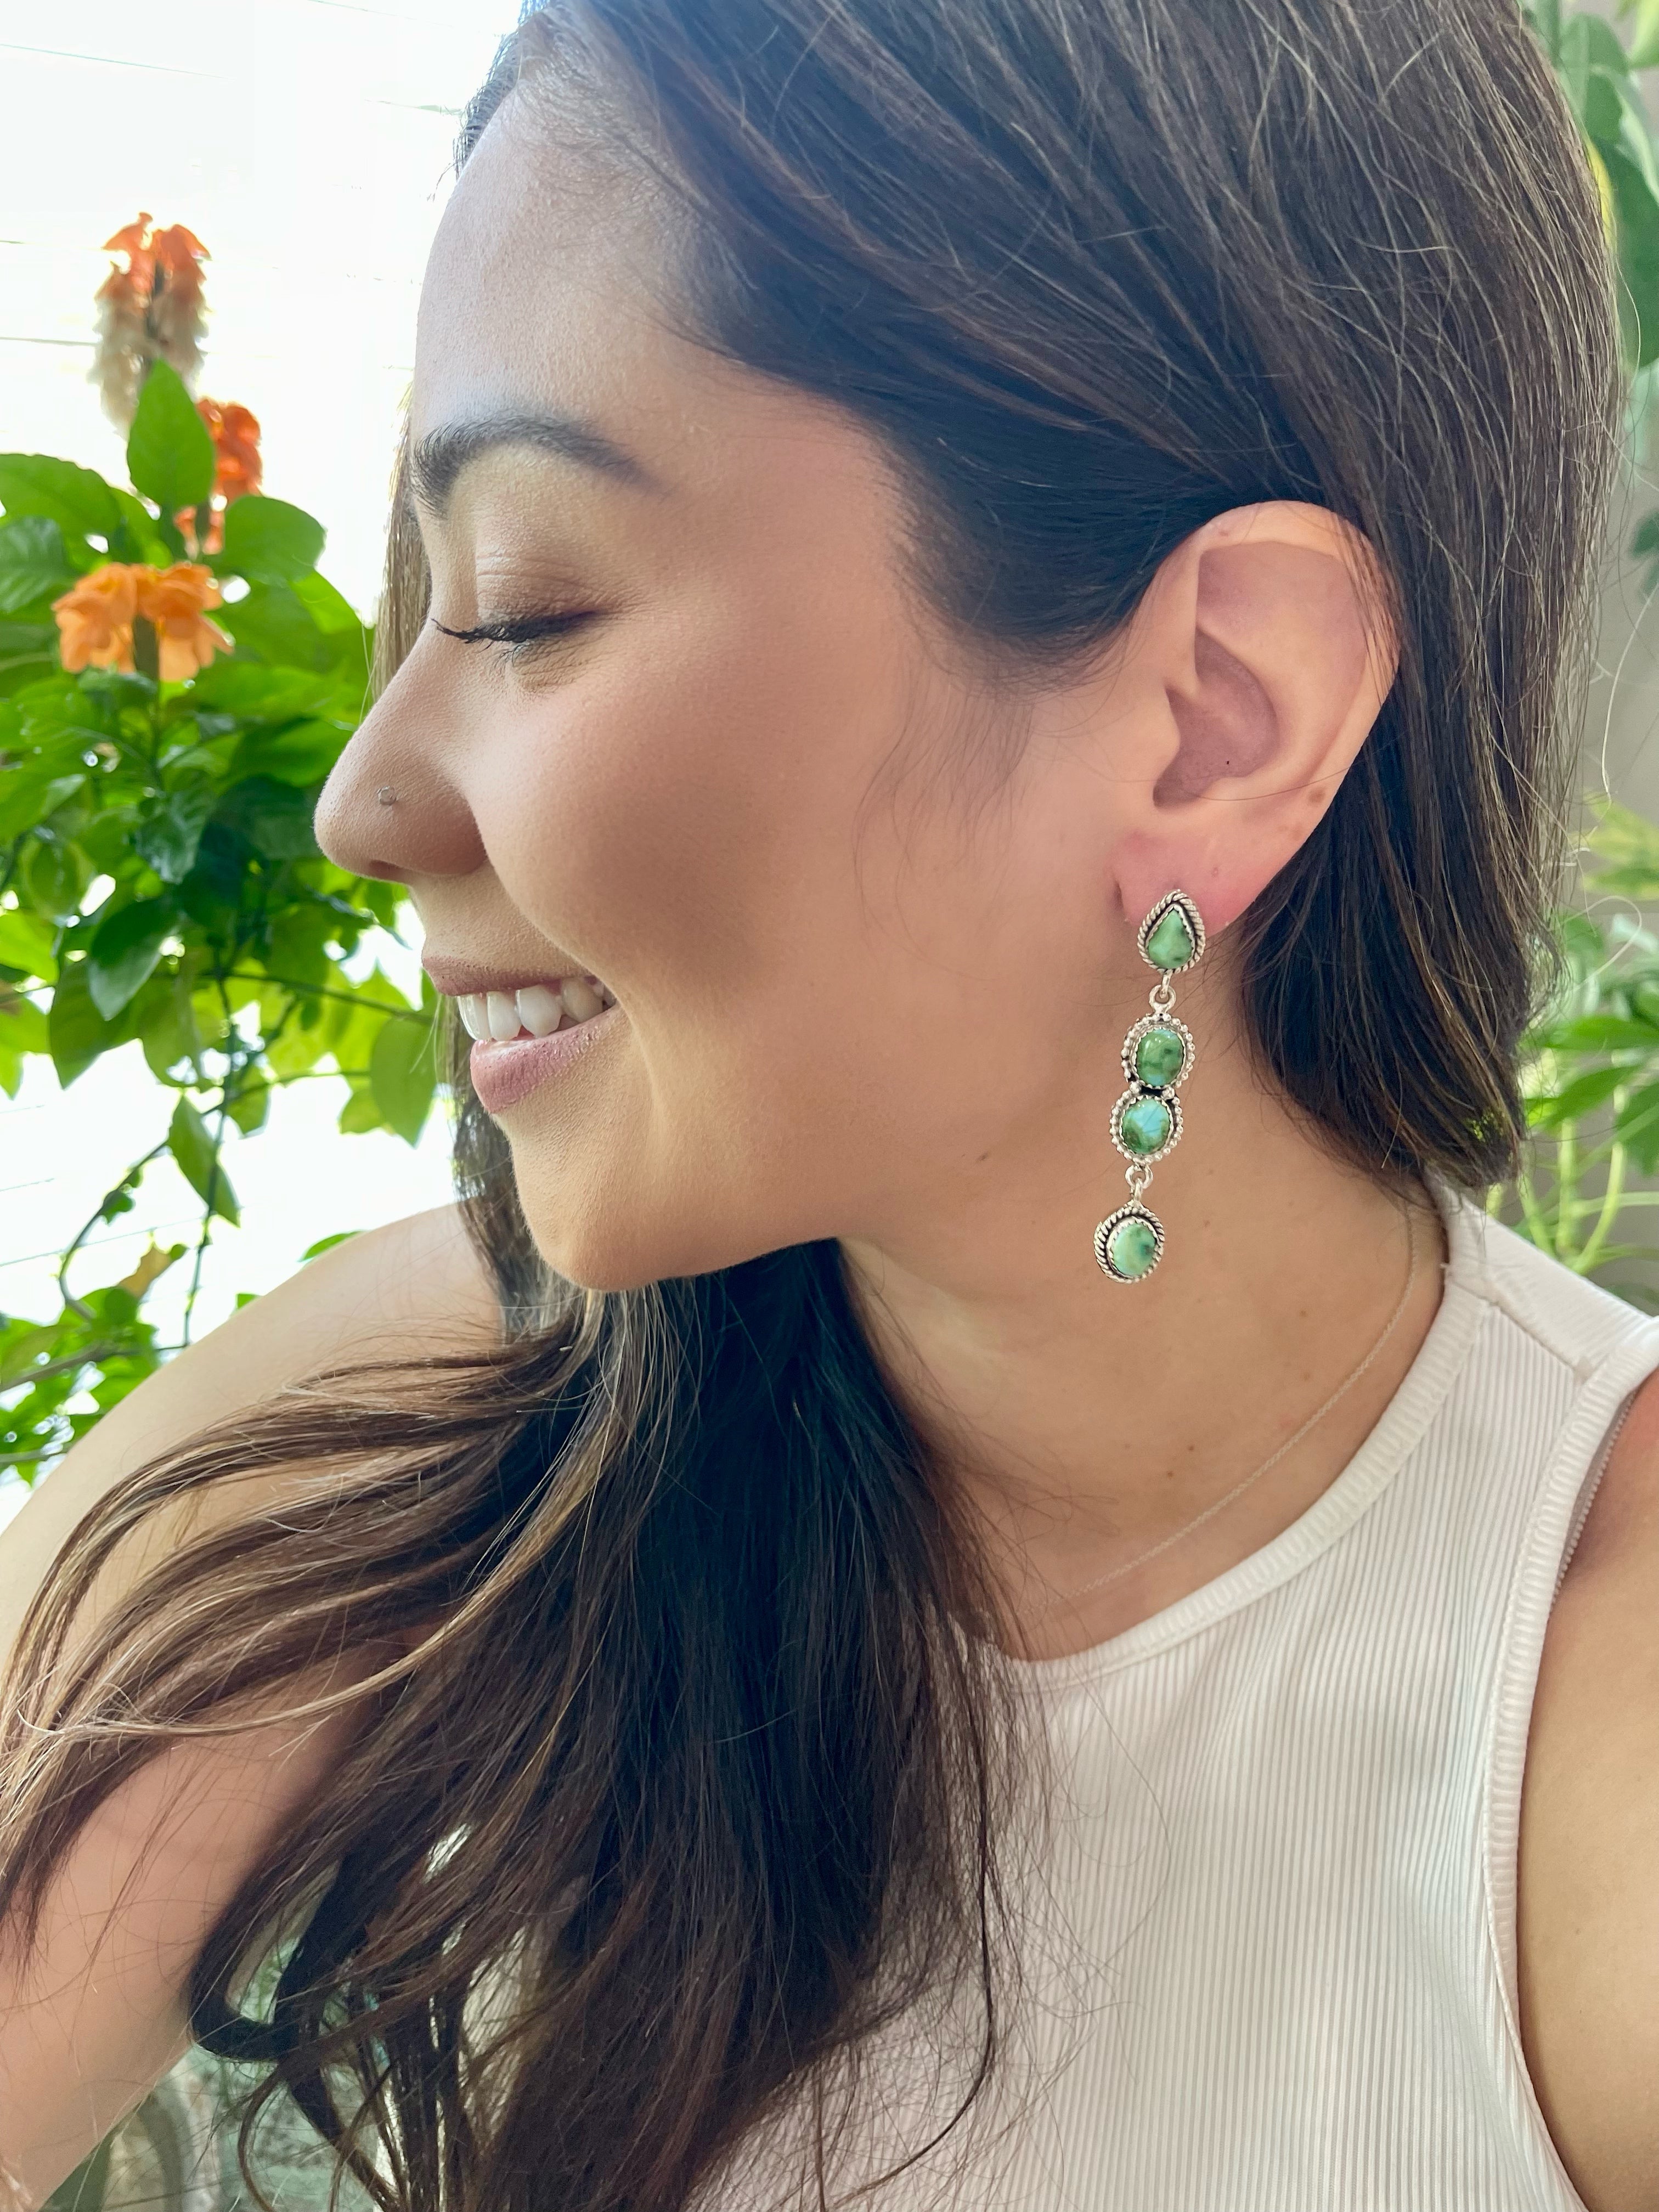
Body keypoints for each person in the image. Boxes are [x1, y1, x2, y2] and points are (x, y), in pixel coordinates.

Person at [2, 0, 1654, 2206]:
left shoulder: (1586, 1712)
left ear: (1215, 713)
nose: (365, 801)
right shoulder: (395, 1441)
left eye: (523, 606)